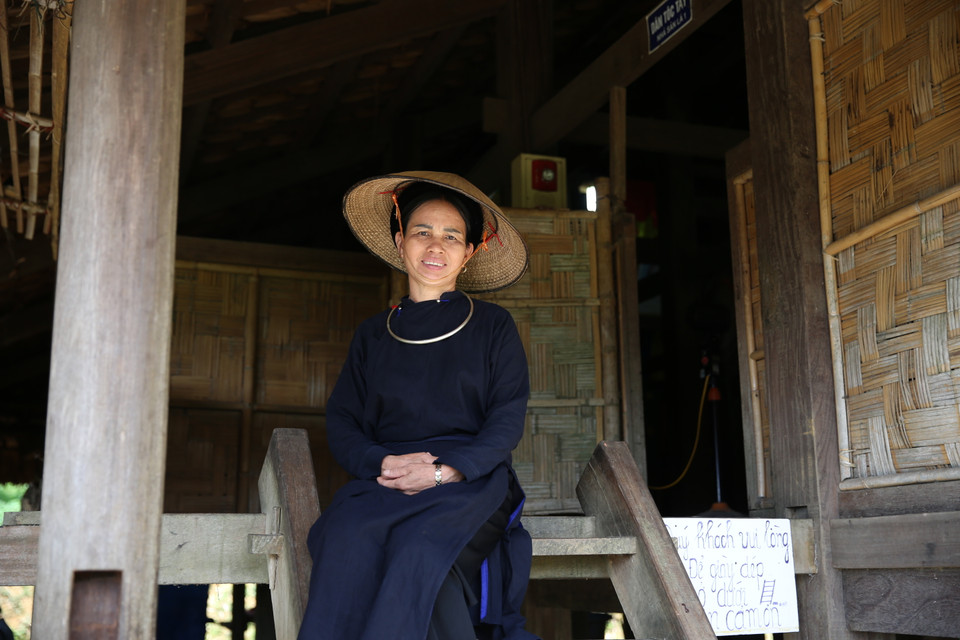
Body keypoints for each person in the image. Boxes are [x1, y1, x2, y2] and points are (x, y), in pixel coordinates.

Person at [297, 171, 538, 640]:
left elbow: (506, 418)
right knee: (341, 538)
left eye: (452, 237)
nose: (435, 246)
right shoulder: (373, 333)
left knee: (421, 551)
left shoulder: (492, 325)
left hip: (471, 480)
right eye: (422, 232)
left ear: (468, 253)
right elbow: (343, 420)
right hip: (386, 478)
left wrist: (445, 471)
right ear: (399, 240)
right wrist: (384, 463)